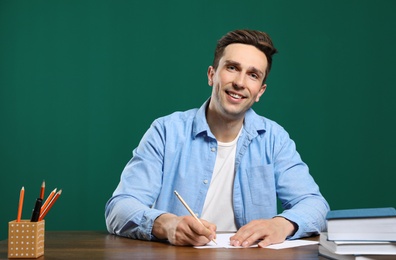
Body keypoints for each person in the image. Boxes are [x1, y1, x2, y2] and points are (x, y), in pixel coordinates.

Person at [105, 29, 330, 248]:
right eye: (232, 68)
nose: (240, 83)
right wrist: (168, 225)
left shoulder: (274, 139)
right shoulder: (166, 131)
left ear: (260, 91)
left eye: (253, 75)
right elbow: (119, 207)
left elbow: (315, 205)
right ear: (212, 75)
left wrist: (281, 225)